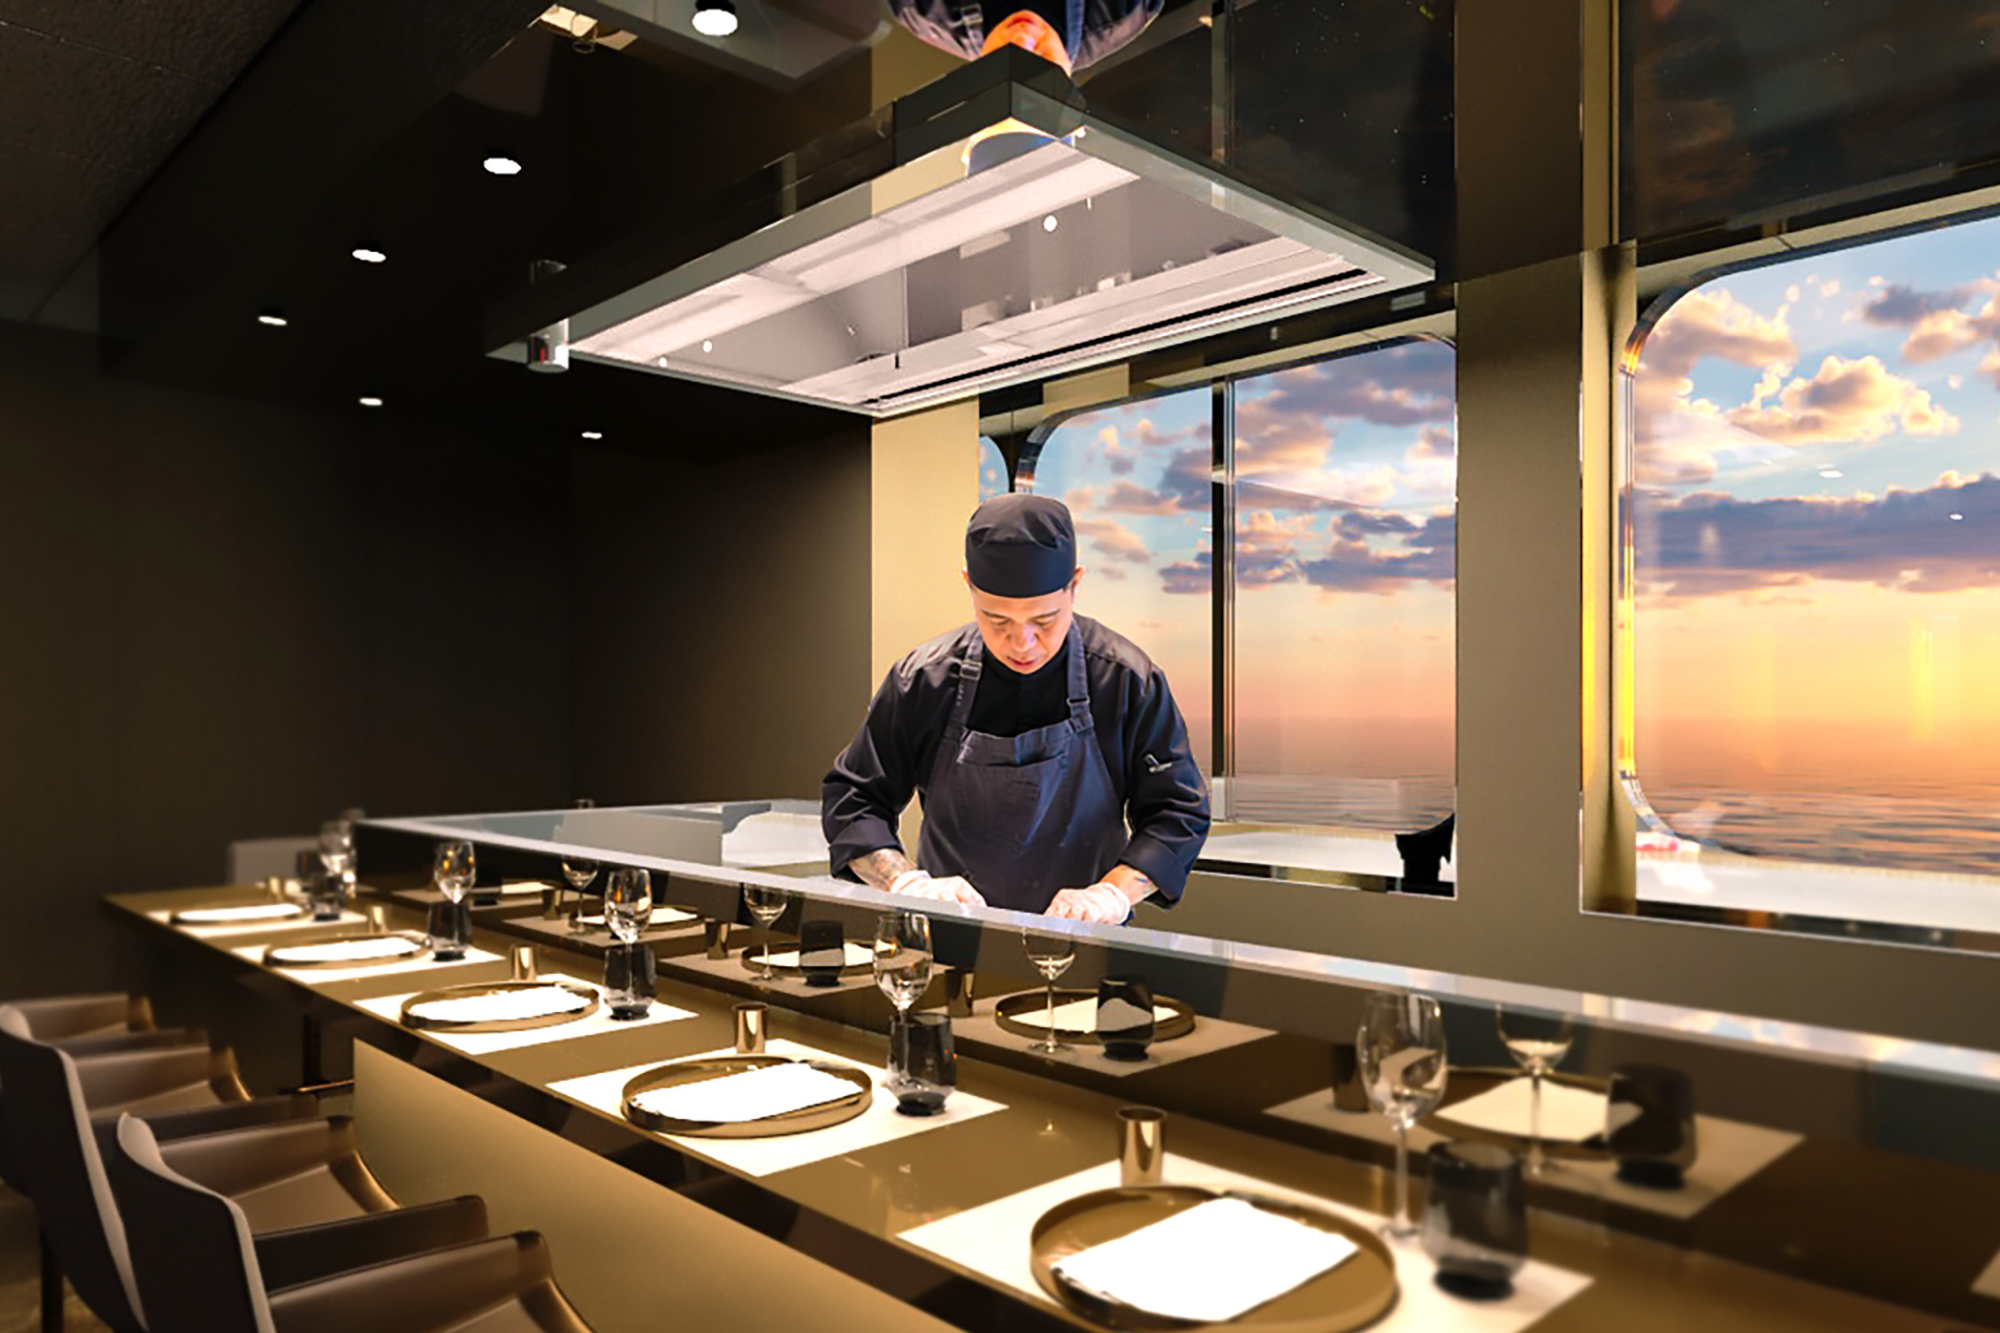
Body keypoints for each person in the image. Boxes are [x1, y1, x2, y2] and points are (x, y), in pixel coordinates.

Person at [822, 494, 1209, 923]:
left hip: (1086, 944)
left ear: (1075, 586)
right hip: (950, 942)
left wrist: (1111, 894)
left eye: (1043, 621)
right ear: (968, 584)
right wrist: (905, 883)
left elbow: (1177, 813)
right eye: (997, 620)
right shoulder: (923, 681)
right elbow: (854, 799)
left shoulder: (1126, 680)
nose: (1021, 644)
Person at [889, 0, 1163, 77]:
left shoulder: (918, 9)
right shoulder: (1128, 8)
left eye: (1007, 59)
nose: (1023, 36)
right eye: (1042, 58)